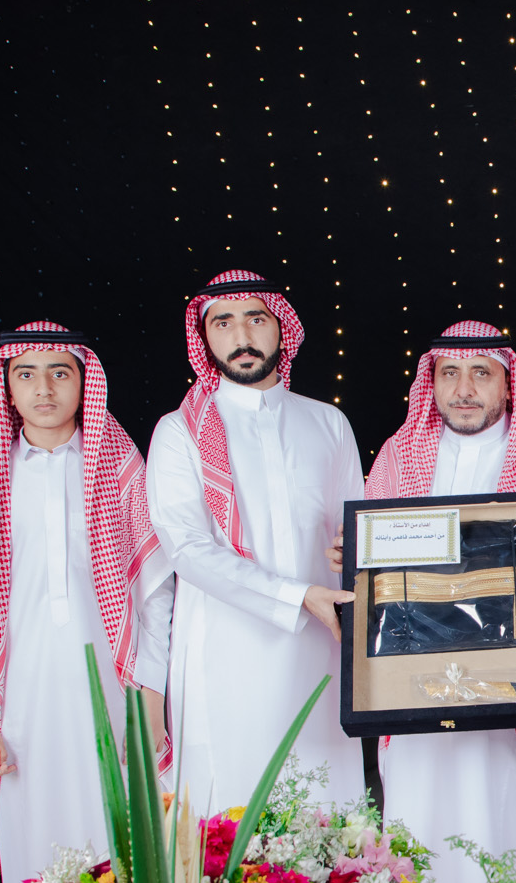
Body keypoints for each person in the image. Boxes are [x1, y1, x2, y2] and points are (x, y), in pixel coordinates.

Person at [364, 321, 516, 883]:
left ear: (509, 385)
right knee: (420, 845)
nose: (463, 389)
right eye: (450, 373)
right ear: (431, 382)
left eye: (481, 373)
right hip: (418, 700)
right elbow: (373, 584)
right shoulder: (397, 459)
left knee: (510, 851)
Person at [0, 322, 175, 883]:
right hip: (18, 701)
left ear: (84, 383)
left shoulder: (118, 465)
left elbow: (155, 592)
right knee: (35, 862)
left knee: (122, 852)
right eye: (26, 374)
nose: (43, 388)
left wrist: (151, 696)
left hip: (115, 692)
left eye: (60, 373)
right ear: (6, 387)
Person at [146, 269, 364, 814]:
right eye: (223, 323)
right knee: (230, 820)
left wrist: (353, 553)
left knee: (325, 813)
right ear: (204, 338)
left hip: (322, 649)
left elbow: (355, 531)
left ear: (281, 328)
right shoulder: (178, 431)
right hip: (224, 654)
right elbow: (189, 551)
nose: (241, 336)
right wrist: (300, 596)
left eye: (255, 319)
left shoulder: (328, 422)